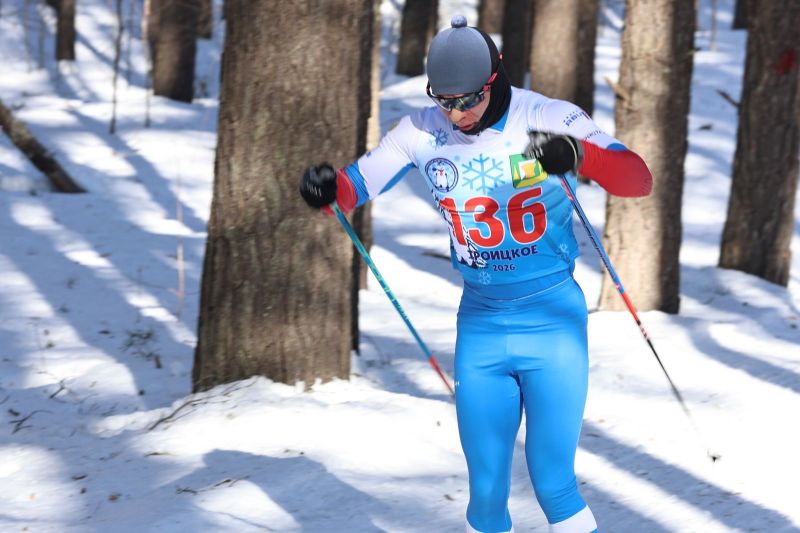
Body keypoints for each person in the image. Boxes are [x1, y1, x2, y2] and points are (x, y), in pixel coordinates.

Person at [299, 15, 652, 533]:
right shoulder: (421, 131)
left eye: (468, 100)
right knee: (485, 494)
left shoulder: (548, 116)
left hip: (552, 321)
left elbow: (637, 179)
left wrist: (579, 154)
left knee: (554, 484)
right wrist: (328, 190)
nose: (456, 113)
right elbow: (354, 187)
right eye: (444, 100)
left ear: (495, 78)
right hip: (482, 326)